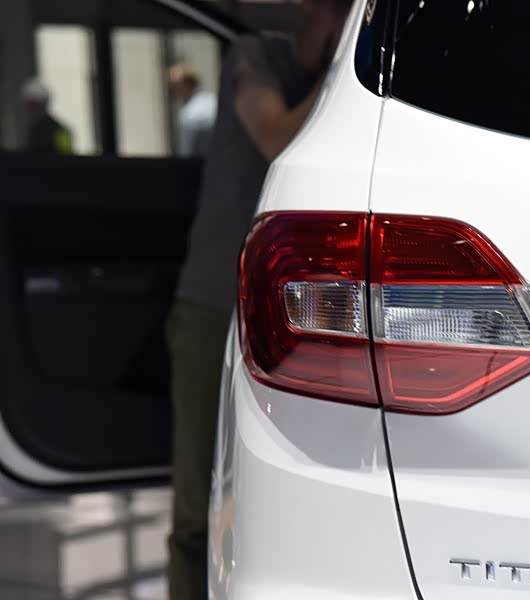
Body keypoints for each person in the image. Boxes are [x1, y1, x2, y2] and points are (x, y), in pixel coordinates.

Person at [166, 1, 353, 598]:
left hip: (297, 318)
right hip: (213, 305)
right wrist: (343, 76)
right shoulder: (256, 58)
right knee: (197, 509)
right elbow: (273, 134)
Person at [168, 64, 218, 157]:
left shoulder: (188, 115)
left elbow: (185, 153)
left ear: (188, 84)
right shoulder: (214, 100)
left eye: (174, 85)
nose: (171, 89)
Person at [21, 79, 73, 154]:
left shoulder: (59, 131)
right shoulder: (31, 129)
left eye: (33, 104)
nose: (28, 109)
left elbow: (66, 154)